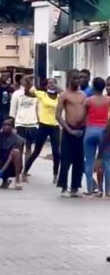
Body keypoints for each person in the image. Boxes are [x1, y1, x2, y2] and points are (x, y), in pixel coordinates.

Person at [23, 78, 60, 184]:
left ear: (56, 85)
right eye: (49, 83)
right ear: (46, 85)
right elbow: (28, 93)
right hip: (43, 125)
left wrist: (60, 91)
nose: (51, 85)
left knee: (56, 152)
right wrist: (29, 83)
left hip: (55, 126)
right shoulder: (42, 94)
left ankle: (55, 175)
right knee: (36, 151)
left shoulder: (59, 97)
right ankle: (24, 171)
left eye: (53, 83)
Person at [56, 69, 86, 197]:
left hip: (81, 130)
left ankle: (75, 187)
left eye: (79, 78)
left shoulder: (83, 95)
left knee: (78, 160)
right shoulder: (64, 95)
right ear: (69, 79)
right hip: (69, 130)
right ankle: (63, 187)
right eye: (75, 78)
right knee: (65, 160)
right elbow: (58, 116)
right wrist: (69, 130)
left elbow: (87, 112)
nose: (78, 81)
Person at [83, 77, 110, 196]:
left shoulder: (88, 101)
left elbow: (83, 116)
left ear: (93, 86)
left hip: (90, 130)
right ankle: (108, 190)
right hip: (104, 131)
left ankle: (90, 188)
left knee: (89, 160)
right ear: (104, 87)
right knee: (107, 160)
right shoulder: (108, 100)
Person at [9, 76, 38, 163]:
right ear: (21, 81)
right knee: (20, 147)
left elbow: (38, 108)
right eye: (26, 79)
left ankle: (26, 168)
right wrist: (12, 125)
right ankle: (19, 168)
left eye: (30, 80)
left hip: (32, 123)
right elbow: (13, 110)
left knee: (29, 147)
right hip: (20, 123)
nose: (28, 81)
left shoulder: (35, 93)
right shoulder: (17, 94)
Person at [0, 117, 24, 190]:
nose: (6, 127)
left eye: (9, 125)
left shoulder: (19, 140)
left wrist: (1, 171)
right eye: (4, 125)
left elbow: (11, 156)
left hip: (12, 165)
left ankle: (17, 179)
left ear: (12, 127)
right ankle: (5, 181)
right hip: (1, 162)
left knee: (16, 152)